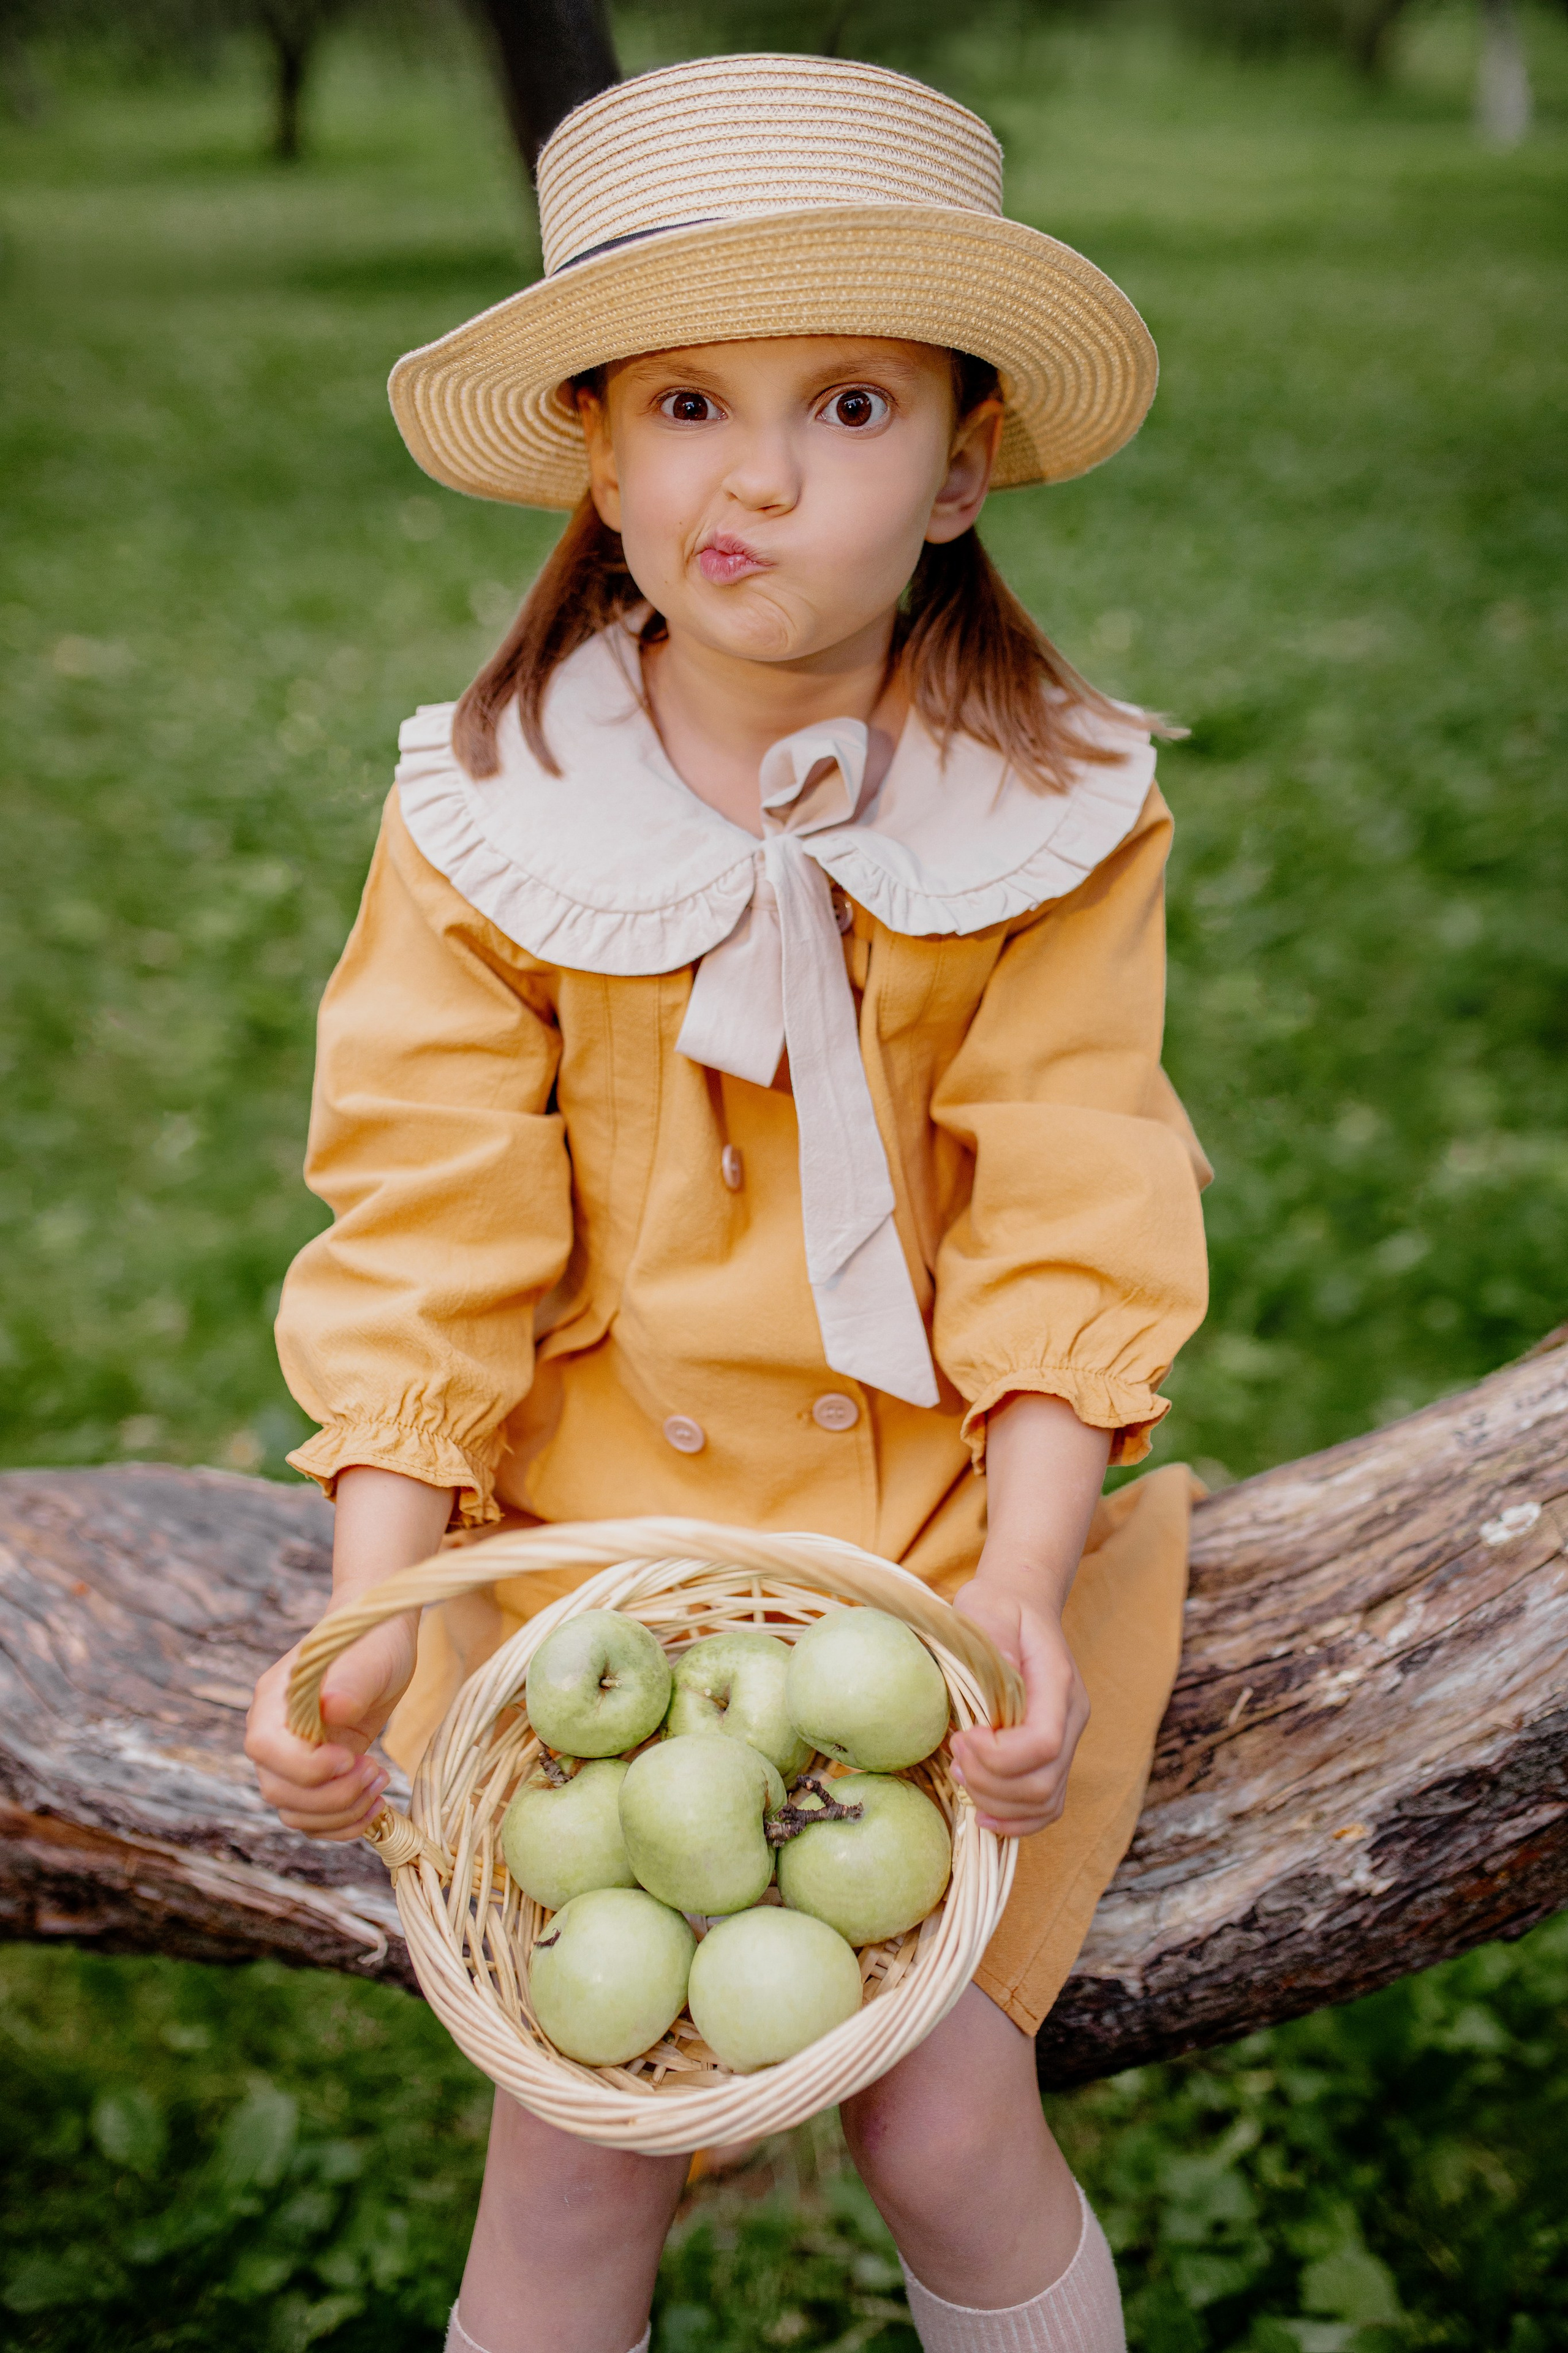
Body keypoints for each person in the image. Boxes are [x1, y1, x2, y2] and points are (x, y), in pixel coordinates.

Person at [244, 52, 1210, 2353]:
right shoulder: (499, 811)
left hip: (950, 1544)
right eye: (684, 399)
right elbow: (428, 1224)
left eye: (851, 402)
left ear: (969, 460)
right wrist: (378, 1613)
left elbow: (1073, 1210)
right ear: (596, 444)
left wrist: (1025, 1592)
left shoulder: (1045, 811)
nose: (754, 473)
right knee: (577, 2143)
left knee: (944, 2115)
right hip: (599, 1554)